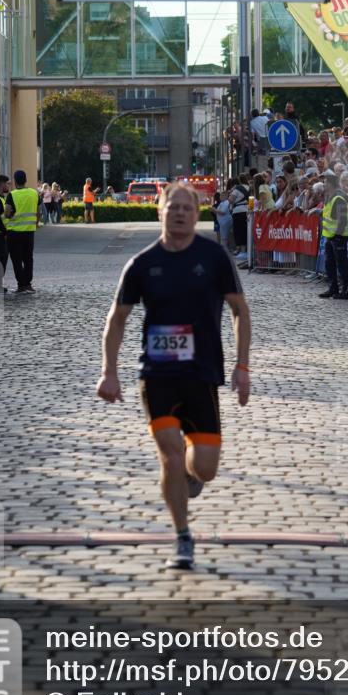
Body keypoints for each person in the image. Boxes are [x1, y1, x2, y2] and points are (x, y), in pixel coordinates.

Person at [96, 182, 251, 571]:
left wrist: (242, 366)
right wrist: (109, 372)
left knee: (206, 468)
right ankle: (183, 536)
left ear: (197, 214)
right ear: (159, 212)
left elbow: (239, 312)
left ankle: (188, 474)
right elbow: (117, 319)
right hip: (157, 374)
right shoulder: (142, 264)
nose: (180, 213)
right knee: (170, 454)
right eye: (172, 207)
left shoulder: (214, 257)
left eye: (187, 208)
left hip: (202, 375)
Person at [319, 172, 348, 300]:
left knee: (342, 265)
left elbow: (342, 220)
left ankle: (347, 291)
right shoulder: (330, 196)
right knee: (330, 264)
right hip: (330, 236)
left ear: (331, 183)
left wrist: (337, 236)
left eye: (326, 182)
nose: (324, 184)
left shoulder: (338, 198)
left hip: (338, 236)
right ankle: (333, 288)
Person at [5, 169, 39, 293]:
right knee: (28, 258)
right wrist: (35, 223)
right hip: (29, 231)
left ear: (15, 181)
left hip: (14, 232)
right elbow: (38, 211)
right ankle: (28, 284)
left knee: (16, 259)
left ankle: (21, 285)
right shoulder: (34, 193)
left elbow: (7, 213)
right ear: (25, 180)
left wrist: (10, 215)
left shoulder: (12, 195)